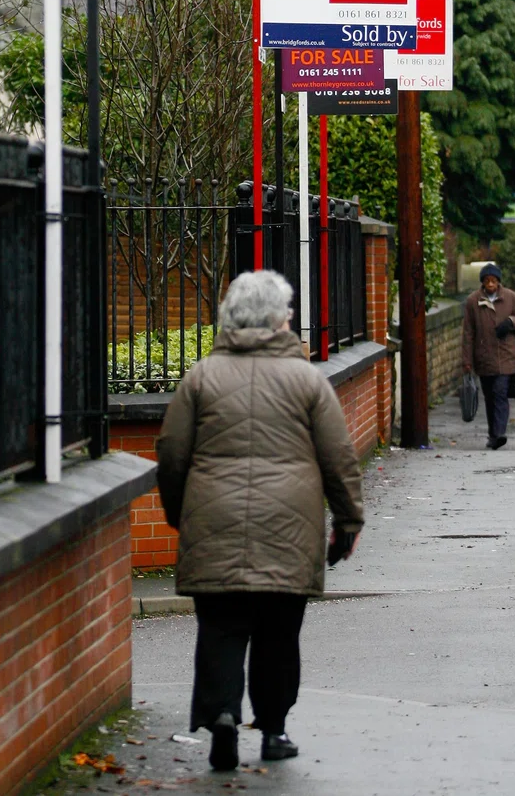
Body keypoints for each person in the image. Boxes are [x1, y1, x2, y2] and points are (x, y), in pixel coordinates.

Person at [156, 269, 364, 772]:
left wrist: (182, 515)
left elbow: (172, 454)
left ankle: (223, 716)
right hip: (288, 531)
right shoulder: (307, 380)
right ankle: (274, 730)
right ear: (277, 320)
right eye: (287, 312)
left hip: (214, 525)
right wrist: (348, 522)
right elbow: (338, 457)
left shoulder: (200, 377)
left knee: (220, 630)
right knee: (278, 635)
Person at [461, 262, 515, 450]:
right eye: (487, 281)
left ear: (498, 281)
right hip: (483, 356)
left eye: (493, 280)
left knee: (500, 393)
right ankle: (493, 435)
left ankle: (499, 433)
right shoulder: (473, 301)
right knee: (490, 396)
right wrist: (467, 361)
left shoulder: (510, 297)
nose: (490, 284)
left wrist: (511, 322)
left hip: (506, 355)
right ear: (482, 282)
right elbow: (468, 333)